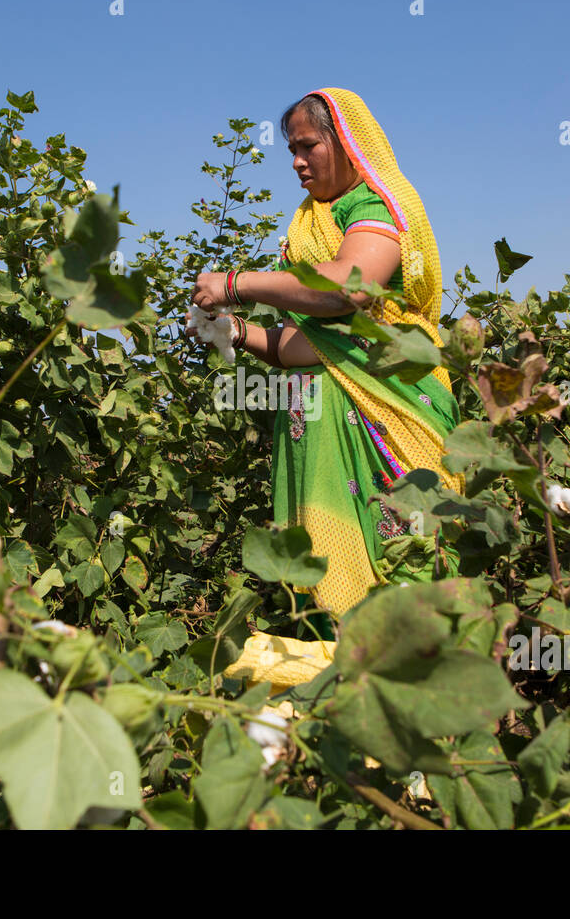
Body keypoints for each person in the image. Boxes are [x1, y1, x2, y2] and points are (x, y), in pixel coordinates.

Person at [188, 87, 463, 646]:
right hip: (314, 428)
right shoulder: (311, 223)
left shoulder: (374, 207)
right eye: (291, 149)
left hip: (383, 416)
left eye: (308, 145)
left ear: (345, 140)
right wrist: (236, 332)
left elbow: (350, 290)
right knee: (324, 599)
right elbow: (299, 341)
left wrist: (236, 286)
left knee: (402, 568)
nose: (296, 161)